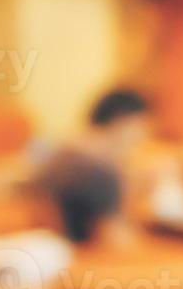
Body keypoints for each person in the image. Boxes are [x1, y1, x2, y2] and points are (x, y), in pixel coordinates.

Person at [36, 88, 152, 244]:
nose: (141, 138)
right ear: (122, 120)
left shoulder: (60, 154)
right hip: (86, 258)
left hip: (53, 251)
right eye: (141, 127)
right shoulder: (101, 171)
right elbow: (113, 240)